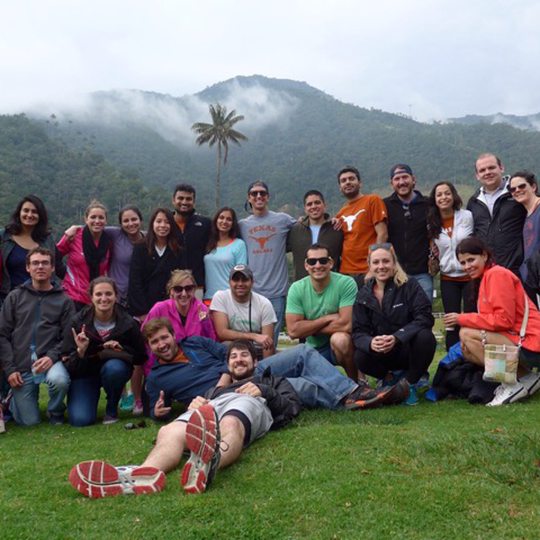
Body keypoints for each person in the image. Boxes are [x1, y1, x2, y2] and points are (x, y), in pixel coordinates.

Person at [68, 339, 302, 497]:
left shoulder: (270, 381)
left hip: (249, 402)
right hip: (213, 404)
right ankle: (143, 473)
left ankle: (209, 463)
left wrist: (265, 391)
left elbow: (291, 409)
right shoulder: (214, 390)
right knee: (169, 431)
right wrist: (195, 405)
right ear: (227, 364)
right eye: (233, 357)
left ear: (256, 362)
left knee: (231, 423)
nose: (239, 359)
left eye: (244, 356)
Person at [143, 318, 400, 419]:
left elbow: (227, 353)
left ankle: (352, 391)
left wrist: (231, 367)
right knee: (299, 387)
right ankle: (356, 398)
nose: (162, 345)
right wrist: (157, 412)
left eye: (164, 337)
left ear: (172, 335)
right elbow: (156, 409)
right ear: (150, 346)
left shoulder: (193, 342)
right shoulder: (155, 376)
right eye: (155, 342)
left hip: (243, 369)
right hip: (226, 393)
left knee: (301, 352)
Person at [444, 237, 540, 406]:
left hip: (531, 343)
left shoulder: (497, 274)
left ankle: (510, 384)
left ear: (484, 255)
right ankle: (527, 377)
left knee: (466, 333)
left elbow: (503, 320)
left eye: (471, 260)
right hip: (521, 340)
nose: (467, 266)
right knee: (467, 349)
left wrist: (462, 318)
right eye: (463, 262)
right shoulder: (486, 277)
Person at [352, 243, 436, 405]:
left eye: (386, 261)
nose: (381, 266)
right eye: (376, 262)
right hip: (382, 354)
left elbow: (425, 317)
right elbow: (357, 331)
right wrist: (370, 343)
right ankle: (390, 381)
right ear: (369, 265)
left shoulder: (409, 285)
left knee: (426, 337)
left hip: (408, 349)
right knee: (360, 355)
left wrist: (398, 337)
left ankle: (409, 384)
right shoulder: (363, 294)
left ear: (393, 263)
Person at [0, 247, 74, 425]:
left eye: (45, 263)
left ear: (52, 268)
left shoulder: (64, 300)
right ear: (27, 268)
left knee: (59, 380)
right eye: (35, 263)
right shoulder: (14, 297)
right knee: (29, 422)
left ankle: (55, 411)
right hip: (20, 365)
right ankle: (13, 403)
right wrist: (10, 369)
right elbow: (2, 335)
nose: (40, 267)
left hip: (50, 361)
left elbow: (68, 337)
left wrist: (52, 356)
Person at [62, 276, 147, 425]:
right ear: (91, 297)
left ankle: (111, 408)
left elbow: (141, 356)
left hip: (113, 370)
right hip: (84, 373)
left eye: (108, 294)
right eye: (98, 294)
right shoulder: (77, 322)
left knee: (115, 368)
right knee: (80, 420)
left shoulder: (128, 323)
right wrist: (81, 352)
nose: (104, 298)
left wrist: (122, 348)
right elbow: (68, 364)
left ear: (116, 296)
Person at [286, 243, 358, 381]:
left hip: (344, 345)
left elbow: (346, 325)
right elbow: (293, 331)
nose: (317, 265)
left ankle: (355, 383)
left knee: (340, 339)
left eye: (323, 260)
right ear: (306, 265)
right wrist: (327, 318)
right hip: (313, 347)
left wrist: (307, 327)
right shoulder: (297, 288)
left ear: (330, 262)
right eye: (312, 261)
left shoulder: (346, 283)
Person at [238, 181, 296, 344]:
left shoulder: (283, 220)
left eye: (262, 193)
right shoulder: (242, 225)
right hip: (251, 291)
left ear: (268, 196)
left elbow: (305, 227)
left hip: (276, 292)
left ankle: (268, 369)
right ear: (248, 197)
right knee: (250, 339)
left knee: (270, 341)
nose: (258, 196)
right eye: (254, 193)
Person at [427, 181, 475, 349]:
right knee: (450, 323)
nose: (443, 197)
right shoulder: (432, 222)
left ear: (453, 195)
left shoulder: (467, 216)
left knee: (471, 319)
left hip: (470, 276)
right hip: (448, 278)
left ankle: (473, 361)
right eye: (439, 194)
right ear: (434, 198)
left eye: (447, 193)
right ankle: (452, 364)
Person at [144, 269, 216, 373]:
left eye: (188, 288)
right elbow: (146, 344)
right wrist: (151, 373)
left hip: (196, 365)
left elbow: (211, 342)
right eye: (178, 289)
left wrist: (204, 324)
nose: (183, 293)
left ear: (194, 289)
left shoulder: (202, 310)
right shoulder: (159, 309)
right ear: (171, 291)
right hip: (165, 365)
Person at [467, 153, 526, 275]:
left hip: (516, 271)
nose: (487, 172)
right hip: (486, 272)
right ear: (477, 175)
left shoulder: (517, 193)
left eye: (491, 167)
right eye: (482, 170)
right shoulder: (474, 202)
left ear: (501, 168)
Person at [0, 195, 64, 304]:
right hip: (9, 300)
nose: (29, 215)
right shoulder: (4, 237)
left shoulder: (47, 239)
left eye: (34, 212)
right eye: (26, 210)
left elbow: (58, 266)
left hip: (42, 301)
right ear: (19, 213)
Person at [384, 164, 432, 301]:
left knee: (423, 315)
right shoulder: (384, 205)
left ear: (413, 179)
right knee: (396, 317)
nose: (401, 182)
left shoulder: (428, 204)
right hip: (394, 273)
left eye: (405, 177)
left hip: (422, 273)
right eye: (397, 179)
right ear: (391, 183)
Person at [335, 166, 388, 286]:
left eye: (351, 179)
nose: (347, 182)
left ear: (359, 183)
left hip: (366, 271)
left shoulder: (372, 200)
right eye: (343, 181)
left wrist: (373, 268)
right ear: (340, 188)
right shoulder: (341, 212)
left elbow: (382, 234)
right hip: (345, 272)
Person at [210, 264, 276, 358]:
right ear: (229, 282)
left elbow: (267, 343)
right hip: (232, 350)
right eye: (236, 279)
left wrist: (265, 368)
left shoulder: (264, 303)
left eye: (245, 279)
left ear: (252, 282)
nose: (240, 283)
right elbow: (222, 333)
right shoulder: (220, 297)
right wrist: (254, 336)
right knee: (225, 344)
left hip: (257, 351)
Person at [56, 200, 112, 310]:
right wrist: (66, 275)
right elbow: (53, 256)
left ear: (106, 220)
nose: (97, 221)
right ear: (85, 219)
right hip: (71, 296)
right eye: (93, 217)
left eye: (101, 217)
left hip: (96, 300)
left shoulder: (108, 241)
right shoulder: (74, 236)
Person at [128, 207, 182, 318]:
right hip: (144, 308)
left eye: (167, 222)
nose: (162, 225)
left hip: (169, 308)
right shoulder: (140, 248)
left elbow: (179, 282)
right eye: (158, 221)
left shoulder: (178, 250)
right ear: (152, 224)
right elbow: (135, 282)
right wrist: (143, 312)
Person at [287, 190, 343, 281]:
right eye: (309, 204)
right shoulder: (295, 230)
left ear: (324, 205)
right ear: (305, 208)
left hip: (331, 285)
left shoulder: (336, 229)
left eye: (317, 203)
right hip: (303, 287)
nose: (314, 206)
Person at [172, 183, 211, 293]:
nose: (184, 202)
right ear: (173, 200)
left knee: (198, 311)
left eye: (188, 199)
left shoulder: (205, 224)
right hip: (171, 285)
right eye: (180, 198)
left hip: (197, 285)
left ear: (193, 202)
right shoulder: (166, 224)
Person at [203, 206, 247, 303]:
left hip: (229, 298)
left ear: (233, 224)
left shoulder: (238, 244)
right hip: (208, 298)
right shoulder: (208, 243)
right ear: (216, 220)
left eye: (229, 219)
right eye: (221, 218)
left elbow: (241, 273)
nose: (224, 221)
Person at [508, 171, 540, 303]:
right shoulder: (525, 216)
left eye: (521, 186)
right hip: (531, 280)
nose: (517, 191)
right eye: (513, 189)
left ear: (533, 187)